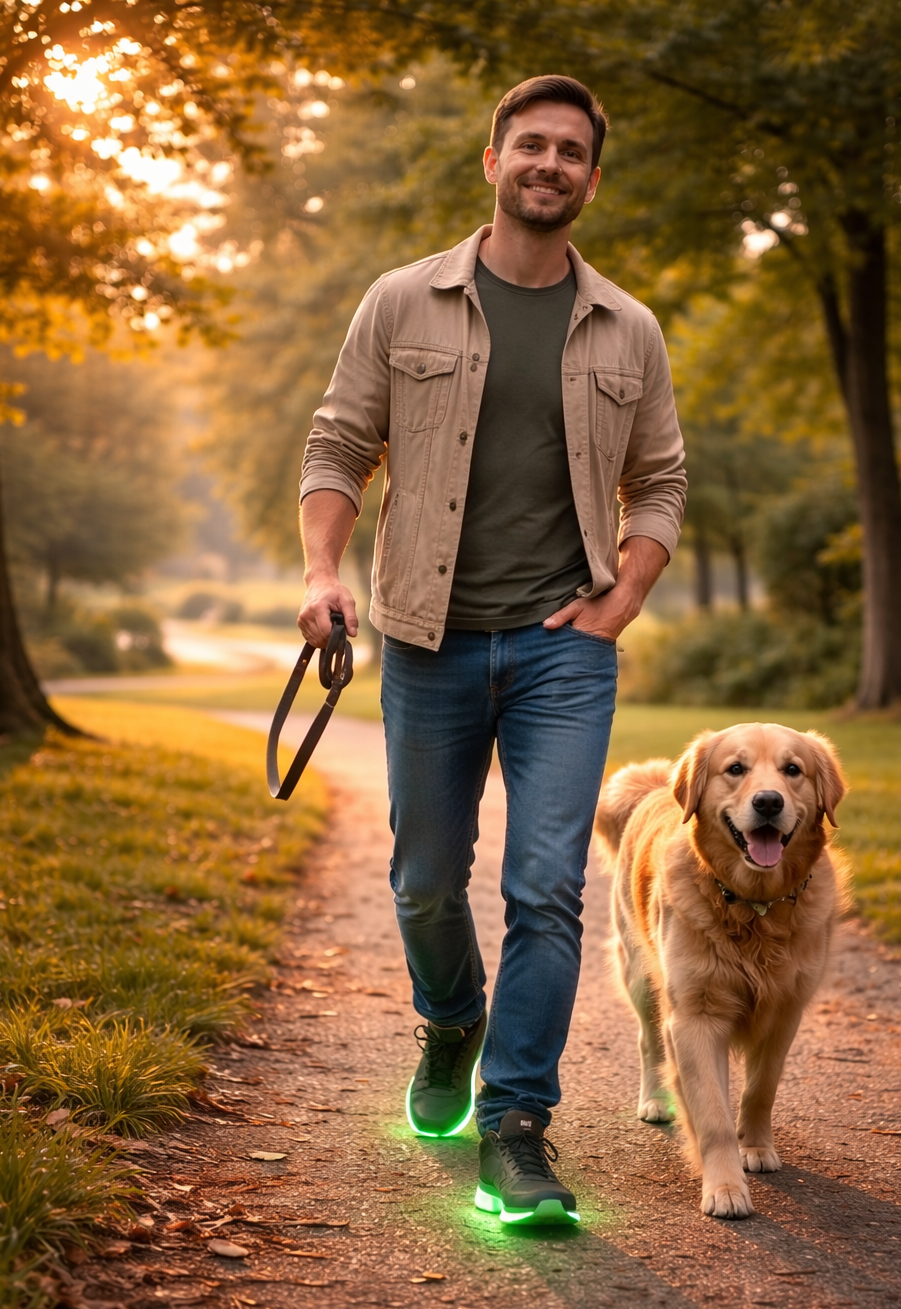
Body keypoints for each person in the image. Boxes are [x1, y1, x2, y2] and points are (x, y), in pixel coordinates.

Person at [297, 74, 686, 1225]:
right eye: (531, 145)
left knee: (548, 890)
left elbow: (659, 480)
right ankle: (452, 1017)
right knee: (423, 877)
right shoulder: (403, 300)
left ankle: (516, 1127)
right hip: (426, 640)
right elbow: (337, 443)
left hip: (565, 648)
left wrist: (622, 598)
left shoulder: (628, 327)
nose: (550, 164)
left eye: (571, 151)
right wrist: (323, 573)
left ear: (592, 180)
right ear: (493, 161)